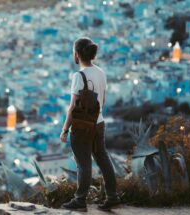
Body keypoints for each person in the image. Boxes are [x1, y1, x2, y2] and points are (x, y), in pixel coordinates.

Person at [60, 37, 121, 212]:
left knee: (83, 163)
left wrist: (65, 130)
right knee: (103, 158)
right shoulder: (101, 72)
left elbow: (73, 107)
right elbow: (102, 100)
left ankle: (80, 201)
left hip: (82, 127)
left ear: (77, 54)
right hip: (99, 123)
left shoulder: (79, 76)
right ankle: (112, 197)